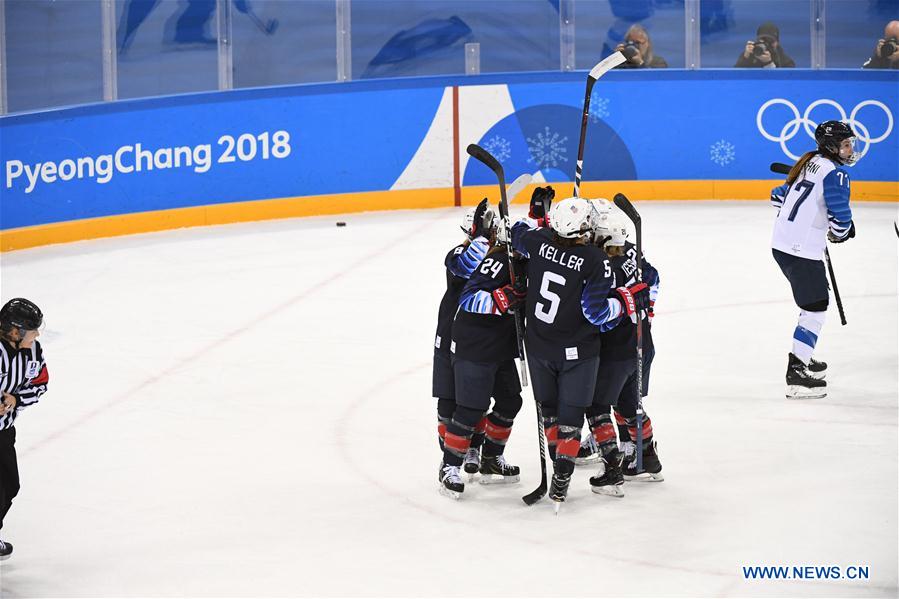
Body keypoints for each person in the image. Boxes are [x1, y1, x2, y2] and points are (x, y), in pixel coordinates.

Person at [511, 198, 649, 510]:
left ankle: (561, 461)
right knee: (572, 416)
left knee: (550, 411)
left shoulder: (537, 241)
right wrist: (627, 301)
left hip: (538, 345)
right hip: (577, 352)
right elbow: (596, 313)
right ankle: (562, 477)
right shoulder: (594, 260)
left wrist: (538, 217)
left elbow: (517, 233)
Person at [438, 202, 524, 498]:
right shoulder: (461, 255)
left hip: (500, 344)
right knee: (468, 407)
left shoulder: (507, 258)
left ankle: (489, 458)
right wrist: (482, 236)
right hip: (468, 343)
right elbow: (467, 273)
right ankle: (450, 465)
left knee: (511, 401)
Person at [770, 120, 857, 400]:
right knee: (815, 308)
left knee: (814, 301)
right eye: (845, 144)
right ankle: (797, 372)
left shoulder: (809, 162)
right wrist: (839, 233)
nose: (850, 149)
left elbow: (777, 197)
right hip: (801, 252)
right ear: (831, 146)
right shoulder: (836, 174)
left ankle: (804, 357)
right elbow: (840, 218)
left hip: (782, 246)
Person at [581, 216, 663, 497]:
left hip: (615, 351)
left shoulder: (604, 267)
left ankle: (611, 470)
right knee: (629, 405)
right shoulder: (631, 252)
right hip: (641, 342)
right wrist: (645, 310)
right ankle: (647, 459)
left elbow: (599, 315)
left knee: (596, 407)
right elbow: (654, 277)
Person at [432, 201, 492, 468]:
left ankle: (472, 450)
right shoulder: (458, 253)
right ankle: (449, 455)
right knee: (448, 399)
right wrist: (480, 238)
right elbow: (466, 267)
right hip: (448, 333)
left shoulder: (495, 257)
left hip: (474, 339)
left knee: (475, 400)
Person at [0, 298, 50, 561]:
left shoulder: (33, 351)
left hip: (4, 433)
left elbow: (41, 383)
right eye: (32, 330)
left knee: (10, 486)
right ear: (15, 330)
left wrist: (16, 400)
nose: (37, 334)